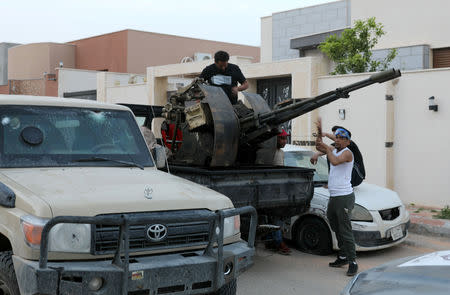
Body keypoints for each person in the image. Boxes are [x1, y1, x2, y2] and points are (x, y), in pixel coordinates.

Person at [315, 122, 358, 276]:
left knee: (345, 229)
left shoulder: (347, 153)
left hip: (344, 197)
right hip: (334, 197)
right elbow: (319, 147)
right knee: (335, 226)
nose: (338, 140)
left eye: (341, 138)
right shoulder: (334, 149)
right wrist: (319, 133)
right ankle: (343, 255)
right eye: (337, 137)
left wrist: (327, 147)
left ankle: (353, 261)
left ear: (348, 142)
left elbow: (333, 160)